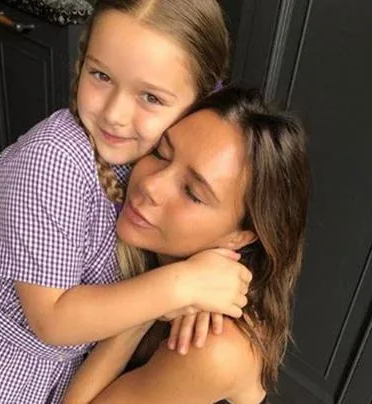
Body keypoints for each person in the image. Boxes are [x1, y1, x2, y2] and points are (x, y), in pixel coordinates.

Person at [0, 1, 252, 402]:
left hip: (63, 367)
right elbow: (52, 319)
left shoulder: (149, 162)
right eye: (101, 75)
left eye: (151, 97)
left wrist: (204, 286)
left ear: (201, 100)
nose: (115, 115)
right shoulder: (52, 160)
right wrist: (183, 285)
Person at [63, 87, 310, 404]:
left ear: (241, 236)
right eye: (161, 153)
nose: (150, 185)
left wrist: (157, 299)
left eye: (192, 193)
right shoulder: (134, 239)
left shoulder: (213, 346)